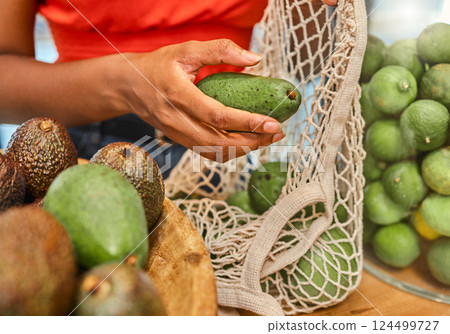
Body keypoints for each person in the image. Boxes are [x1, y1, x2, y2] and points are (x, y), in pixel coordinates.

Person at [0, 0, 337, 166]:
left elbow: (314, 59)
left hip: (227, 146)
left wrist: (318, 9)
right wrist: (128, 85)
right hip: (87, 145)